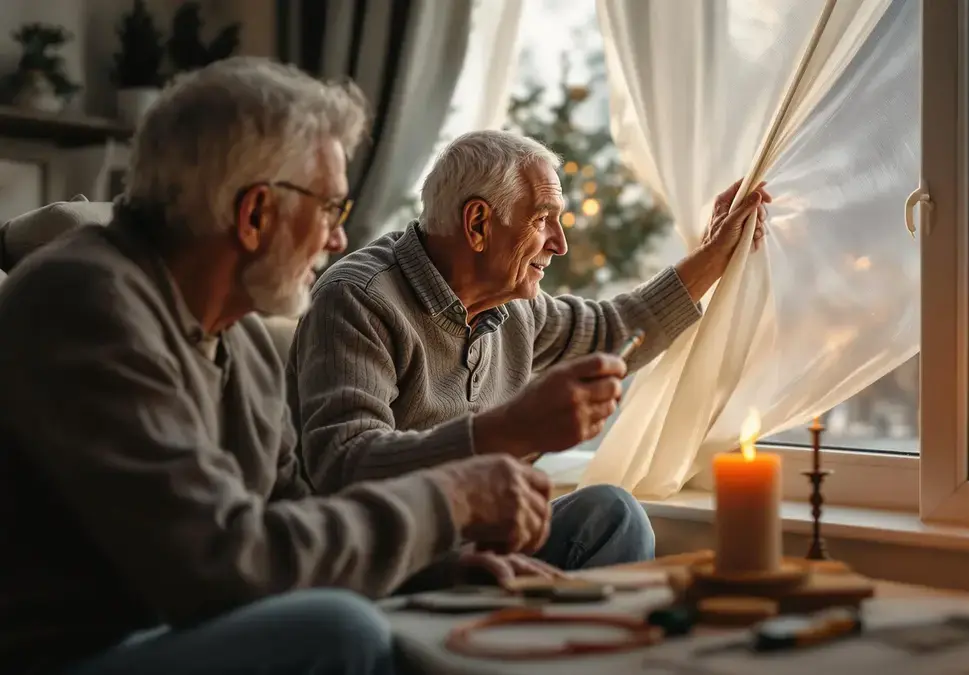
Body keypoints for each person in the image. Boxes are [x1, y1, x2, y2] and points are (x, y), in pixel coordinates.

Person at [0, 58, 558, 675]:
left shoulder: (236, 330)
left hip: (180, 624)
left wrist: (438, 567)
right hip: (75, 652)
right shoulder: (85, 303)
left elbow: (286, 506)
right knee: (338, 632)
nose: (338, 241)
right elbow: (219, 561)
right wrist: (449, 499)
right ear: (256, 213)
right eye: (331, 210)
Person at [288, 129, 770, 571]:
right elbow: (344, 464)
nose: (559, 244)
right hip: (381, 554)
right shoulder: (358, 298)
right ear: (477, 224)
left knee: (614, 515)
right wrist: (506, 431)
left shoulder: (518, 309)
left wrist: (714, 255)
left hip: (481, 538)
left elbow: (618, 328)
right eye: (543, 220)